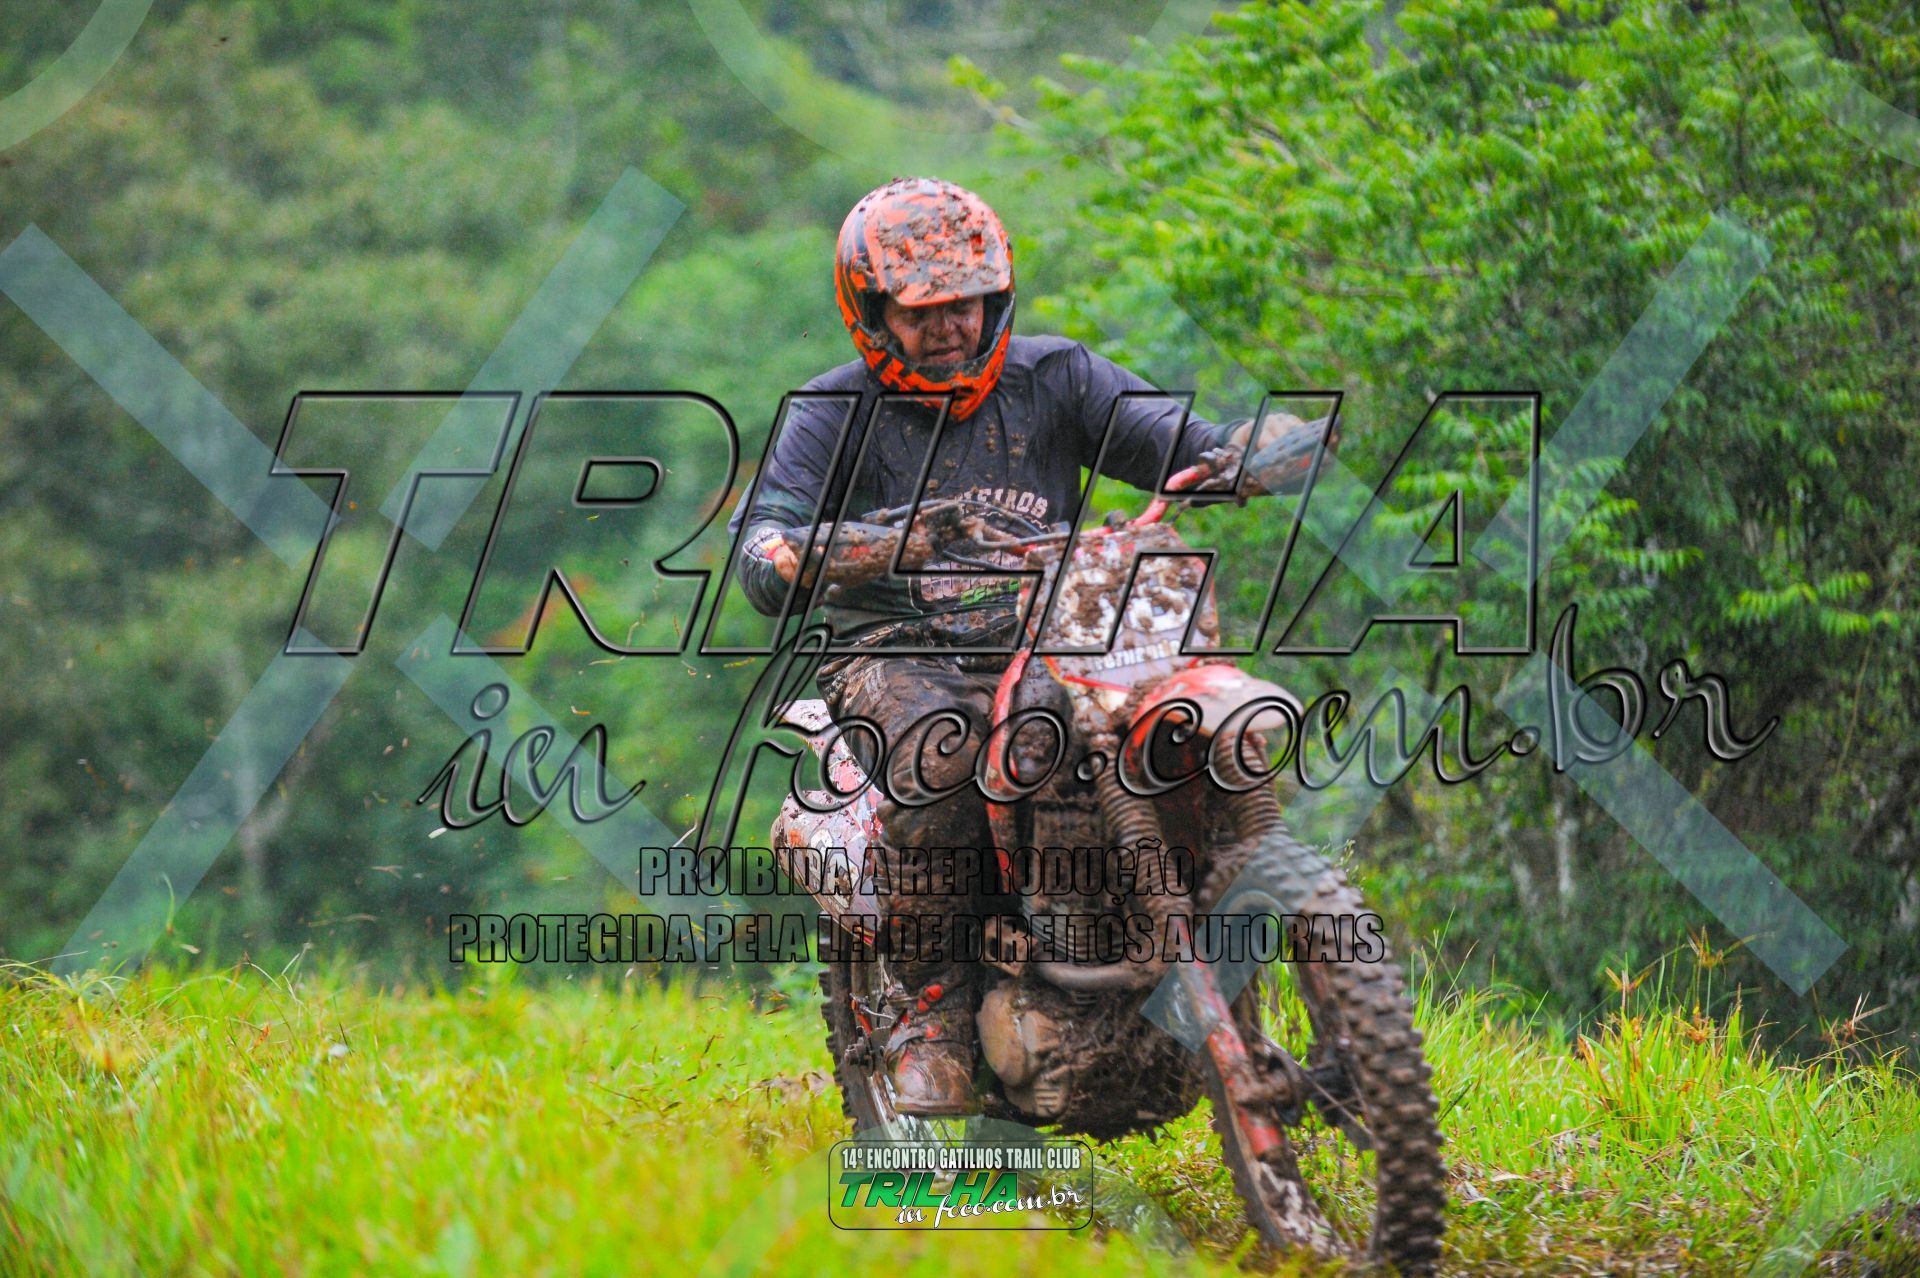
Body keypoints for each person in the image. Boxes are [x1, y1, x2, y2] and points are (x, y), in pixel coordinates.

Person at [727, 176, 1326, 1115]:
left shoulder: (1056, 379)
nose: (949, 326)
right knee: (946, 759)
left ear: (996, 296)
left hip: (1052, 635)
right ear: (872, 312)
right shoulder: (830, 411)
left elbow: (1174, 441)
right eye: (922, 310)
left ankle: (1241, 954)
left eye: (965, 303)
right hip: (894, 651)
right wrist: (841, 547)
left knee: (1174, 729)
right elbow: (764, 544)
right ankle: (931, 1009)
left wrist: (1249, 449)